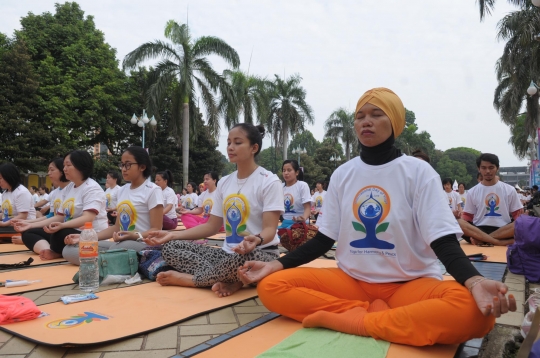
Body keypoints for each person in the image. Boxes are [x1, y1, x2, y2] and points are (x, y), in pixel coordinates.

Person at [237, 88, 516, 347]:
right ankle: (378, 318)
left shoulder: (418, 172)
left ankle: (354, 321)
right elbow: (323, 239)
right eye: (359, 116)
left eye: (376, 114)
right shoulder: (343, 174)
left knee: (478, 313)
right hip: (352, 283)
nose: (365, 122)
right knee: (271, 286)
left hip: (410, 285)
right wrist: (276, 264)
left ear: (394, 122)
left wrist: (475, 281)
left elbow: (442, 241)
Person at [144, 123, 283, 298]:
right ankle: (233, 279)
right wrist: (171, 235)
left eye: (238, 142)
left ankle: (192, 280)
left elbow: (270, 230)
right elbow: (211, 226)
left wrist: (257, 239)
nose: (231, 147)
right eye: (229, 142)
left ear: (254, 148)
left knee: (242, 261)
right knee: (171, 247)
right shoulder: (225, 182)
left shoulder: (269, 181)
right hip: (226, 256)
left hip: (260, 255)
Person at [62, 146, 164, 265]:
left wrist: (133, 235)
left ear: (142, 166)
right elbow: (116, 228)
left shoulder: (152, 190)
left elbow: (156, 230)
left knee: (116, 249)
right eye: (122, 165)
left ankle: (112, 261)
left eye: (128, 164)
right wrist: (87, 238)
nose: (124, 169)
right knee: (70, 249)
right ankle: (114, 262)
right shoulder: (122, 190)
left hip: (143, 244)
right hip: (121, 244)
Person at [17, 151, 107, 260]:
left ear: (81, 166)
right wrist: (30, 225)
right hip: (69, 231)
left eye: (68, 165)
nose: (64, 169)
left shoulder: (91, 188)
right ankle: (53, 250)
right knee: (29, 232)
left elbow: (88, 218)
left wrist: (62, 225)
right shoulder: (69, 188)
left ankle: (57, 251)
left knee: (59, 233)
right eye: (64, 165)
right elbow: (59, 217)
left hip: (89, 233)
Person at [458, 153, 523, 246]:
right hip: (479, 229)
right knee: (458, 223)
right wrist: (462, 221)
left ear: (497, 168)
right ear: (479, 169)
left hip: (503, 229)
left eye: (491, 167)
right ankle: (498, 242)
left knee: (521, 224)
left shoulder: (509, 190)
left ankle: (483, 240)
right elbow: (468, 217)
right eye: (483, 168)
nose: (487, 171)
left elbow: (517, 215)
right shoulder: (472, 191)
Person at [12, 158, 71, 244]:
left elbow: (59, 217)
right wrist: (27, 222)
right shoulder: (55, 193)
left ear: (62, 171)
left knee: (30, 232)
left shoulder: (72, 190)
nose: (49, 173)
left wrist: (29, 223)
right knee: (28, 232)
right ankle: (47, 249)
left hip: (66, 229)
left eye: (52, 170)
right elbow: (52, 215)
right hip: (55, 226)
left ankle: (51, 249)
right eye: (48, 170)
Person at [0, 163, 37, 234]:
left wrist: (4, 223)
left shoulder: (21, 192)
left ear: (9, 177)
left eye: (0, 178)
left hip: (23, 228)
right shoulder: (5, 193)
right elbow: (5, 214)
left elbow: (23, 216)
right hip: (9, 227)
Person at [280, 159, 311, 228]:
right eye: (284, 170)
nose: (286, 173)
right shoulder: (280, 187)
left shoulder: (302, 186)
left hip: (300, 224)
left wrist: (303, 218)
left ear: (297, 172)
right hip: (284, 222)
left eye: (289, 170)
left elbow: (307, 208)